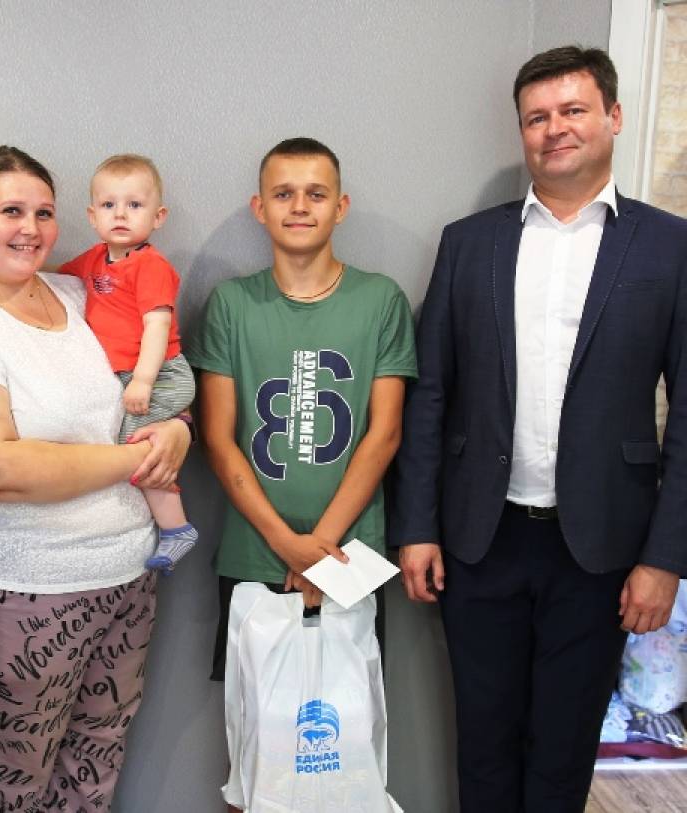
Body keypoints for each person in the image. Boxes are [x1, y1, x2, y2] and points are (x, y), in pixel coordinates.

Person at [394, 46, 687, 813]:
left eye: (573, 110)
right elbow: (431, 394)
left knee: (562, 752)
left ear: (613, 117)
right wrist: (415, 526)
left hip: (602, 552)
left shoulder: (670, 246)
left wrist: (665, 558)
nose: (555, 128)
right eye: (537, 117)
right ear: (521, 131)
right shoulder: (469, 243)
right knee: (483, 746)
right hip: (480, 540)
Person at [0, 145, 191, 813]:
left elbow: (144, 385)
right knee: (18, 776)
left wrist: (179, 429)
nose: (30, 228)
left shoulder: (78, 290)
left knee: (97, 757)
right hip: (24, 590)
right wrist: (139, 460)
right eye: (11, 210)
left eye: (43, 213)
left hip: (126, 574)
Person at [189, 137, 416, 811]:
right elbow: (219, 439)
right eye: (283, 193)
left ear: (340, 206)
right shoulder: (232, 304)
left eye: (316, 193)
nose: (299, 206)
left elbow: (384, 434)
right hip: (254, 554)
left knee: (343, 747)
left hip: (350, 558)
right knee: (257, 747)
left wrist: (319, 549)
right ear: (259, 207)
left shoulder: (380, 300)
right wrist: (287, 545)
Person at [59, 154, 198, 572]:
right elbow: (54, 279)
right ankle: (170, 525)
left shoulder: (150, 266)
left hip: (162, 375)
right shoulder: (94, 259)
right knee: (133, 443)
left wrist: (143, 380)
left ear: (158, 217)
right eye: (109, 205)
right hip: (129, 377)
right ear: (92, 215)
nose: (120, 214)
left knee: (137, 448)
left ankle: (177, 528)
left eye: (134, 205)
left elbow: (157, 326)